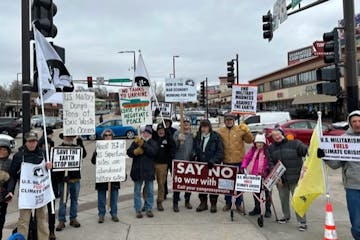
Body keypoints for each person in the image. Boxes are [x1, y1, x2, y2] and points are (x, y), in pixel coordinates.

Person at [320, 110, 360, 239]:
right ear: (349, 123)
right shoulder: (344, 139)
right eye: (354, 121)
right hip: (353, 187)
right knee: (357, 222)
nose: (357, 124)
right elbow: (335, 164)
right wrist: (325, 156)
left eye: (359, 121)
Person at [8, 131, 53, 240]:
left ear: (37, 142)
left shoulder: (43, 153)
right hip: (27, 194)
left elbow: (50, 173)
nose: (32, 144)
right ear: (26, 142)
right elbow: (12, 175)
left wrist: (50, 166)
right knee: (23, 221)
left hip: (40, 193)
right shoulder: (19, 156)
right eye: (29, 141)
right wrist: (11, 190)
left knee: (42, 220)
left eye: (34, 141)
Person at [266, 127, 308, 231]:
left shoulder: (295, 143)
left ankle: (302, 222)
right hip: (281, 180)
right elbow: (271, 163)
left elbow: (306, 151)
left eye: (278, 134)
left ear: (283, 134)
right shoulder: (271, 148)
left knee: (298, 200)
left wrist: (312, 149)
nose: (277, 137)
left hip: (296, 178)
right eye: (274, 135)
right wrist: (276, 177)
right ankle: (286, 216)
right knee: (283, 199)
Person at [217, 113, 253, 213]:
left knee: (239, 184)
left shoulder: (240, 130)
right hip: (226, 161)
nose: (229, 121)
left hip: (239, 161)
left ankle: (238, 203)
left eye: (230, 120)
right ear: (224, 121)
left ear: (233, 121)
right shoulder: (220, 131)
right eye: (227, 120)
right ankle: (228, 203)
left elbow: (250, 141)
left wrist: (247, 131)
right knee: (226, 184)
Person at [55, 134, 87, 231]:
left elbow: (84, 155)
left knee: (74, 200)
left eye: (71, 137)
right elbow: (56, 165)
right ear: (63, 138)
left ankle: (73, 218)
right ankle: (61, 220)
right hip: (64, 181)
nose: (69, 138)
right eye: (67, 136)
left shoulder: (77, 148)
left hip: (75, 179)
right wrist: (61, 177)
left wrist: (80, 143)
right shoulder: (59, 149)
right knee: (63, 201)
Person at [127, 126, 158, 218]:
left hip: (149, 171)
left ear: (151, 135)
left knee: (150, 191)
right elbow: (129, 152)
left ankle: (149, 209)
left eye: (148, 132)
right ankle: (138, 210)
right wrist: (135, 152)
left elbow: (153, 153)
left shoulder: (153, 143)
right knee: (137, 191)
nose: (146, 134)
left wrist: (143, 144)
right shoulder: (136, 141)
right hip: (138, 171)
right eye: (145, 132)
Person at [193, 119, 223, 213]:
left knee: (212, 185)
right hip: (201, 165)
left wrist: (213, 161)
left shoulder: (216, 137)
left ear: (209, 127)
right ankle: (203, 203)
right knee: (201, 184)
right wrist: (194, 156)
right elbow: (194, 149)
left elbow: (220, 152)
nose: (204, 129)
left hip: (212, 165)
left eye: (205, 127)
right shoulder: (197, 136)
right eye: (202, 127)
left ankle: (213, 204)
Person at [91, 129, 120, 223]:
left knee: (114, 195)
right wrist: (96, 153)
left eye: (109, 135)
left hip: (114, 174)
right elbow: (93, 161)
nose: (108, 136)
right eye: (106, 135)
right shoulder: (99, 147)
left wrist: (122, 173)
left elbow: (120, 161)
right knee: (101, 196)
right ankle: (101, 214)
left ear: (112, 136)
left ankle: (114, 213)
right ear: (103, 137)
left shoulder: (117, 147)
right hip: (102, 175)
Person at [241, 133, 271, 218]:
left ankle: (268, 209)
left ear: (264, 143)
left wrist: (267, 169)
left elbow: (271, 161)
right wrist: (243, 166)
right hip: (255, 175)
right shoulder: (253, 150)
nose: (259, 144)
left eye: (261, 143)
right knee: (255, 192)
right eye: (257, 143)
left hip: (266, 175)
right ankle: (257, 208)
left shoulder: (267, 151)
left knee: (267, 193)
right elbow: (247, 158)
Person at [38, 127, 57, 240]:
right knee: (40, 212)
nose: (46, 147)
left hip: (51, 188)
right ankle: (40, 231)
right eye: (44, 145)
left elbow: (58, 172)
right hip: (39, 189)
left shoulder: (54, 157)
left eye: (48, 145)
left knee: (51, 211)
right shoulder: (38, 157)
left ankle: (51, 231)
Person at [172, 118, 194, 212]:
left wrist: (194, 155)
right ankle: (175, 203)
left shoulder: (193, 135)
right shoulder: (177, 134)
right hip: (178, 162)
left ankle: (187, 201)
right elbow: (173, 148)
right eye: (184, 123)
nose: (185, 125)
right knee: (178, 183)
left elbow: (195, 148)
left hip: (189, 162)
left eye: (187, 123)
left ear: (190, 125)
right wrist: (178, 140)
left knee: (188, 183)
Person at [153, 123, 175, 211]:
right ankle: (147, 202)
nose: (161, 132)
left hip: (163, 164)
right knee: (148, 185)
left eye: (162, 130)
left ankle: (159, 202)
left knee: (161, 184)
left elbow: (173, 148)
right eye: (159, 130)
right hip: (152, 163)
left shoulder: (168, 138)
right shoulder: (153, 138)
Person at [0, 140, 13, 240]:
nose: (2, 151)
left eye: (4, 150)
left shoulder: (10, 163)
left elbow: (12, 179)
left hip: (3, 195)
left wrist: (10, 191)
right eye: (0, 149)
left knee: (1, 218)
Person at [163, 118, 177, 200]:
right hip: (164, 159)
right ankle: (164, 192)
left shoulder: (174, 130)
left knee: (174, 176)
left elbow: (175, 142)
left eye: (168, 122)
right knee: (164, 177)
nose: (166, 123)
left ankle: (176, 194)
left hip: (172, 158)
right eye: (165, 122)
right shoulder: (161, 130)